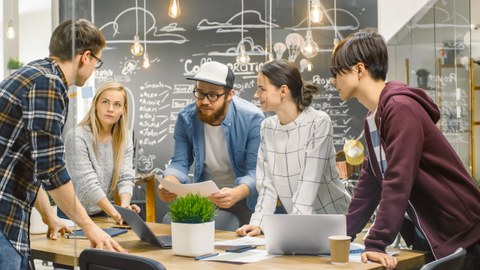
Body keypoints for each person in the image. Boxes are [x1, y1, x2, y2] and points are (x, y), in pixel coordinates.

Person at [330, 28, 480, 270]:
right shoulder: (374, 117)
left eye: (336, 72)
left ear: (359, 69)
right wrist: (340, 236)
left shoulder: (400, 108)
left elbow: (398, 178)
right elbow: (371, 183)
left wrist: (376, 243)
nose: (333, 81)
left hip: (460, 233)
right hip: (435, 234)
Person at [0, 19, 125, 269]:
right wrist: (90, 227)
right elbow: (51, 169)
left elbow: (31, 164)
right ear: (85, 57)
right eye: (96, 62)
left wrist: (51, 217)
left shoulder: (36, 73)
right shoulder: (48, 83)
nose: (93, 69)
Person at [235, 59, 351, 237]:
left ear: (283, 90)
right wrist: (258, 223)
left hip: (334, 222)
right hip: (299, 225)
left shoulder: (318, 122)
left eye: (262, 88)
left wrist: (294, 227)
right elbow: (267, 185)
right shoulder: (267, 127)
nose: (256, 95)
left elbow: (309, 182)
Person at [157, 61, 264, 225]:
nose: (204, 101)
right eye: (200, 93)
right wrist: (169, 183)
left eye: (213, 95)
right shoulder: (186, 118)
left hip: (242, 199)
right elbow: (179, 162)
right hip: (205, 197)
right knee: (169, 223)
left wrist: (236, 193)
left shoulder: (252, 119)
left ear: (230, 95)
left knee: (228, 229)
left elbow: (254, 171)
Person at [62, 82, 140, 224]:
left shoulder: (126, 138)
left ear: (123, 109)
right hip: (69, 215)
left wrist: (125, 209)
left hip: (100, 212)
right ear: (96, 104)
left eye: (117, 104)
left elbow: (126, 176)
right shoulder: (76, 136)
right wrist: (117, 214)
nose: (110, 109)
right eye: (105, 102)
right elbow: (87, 184)